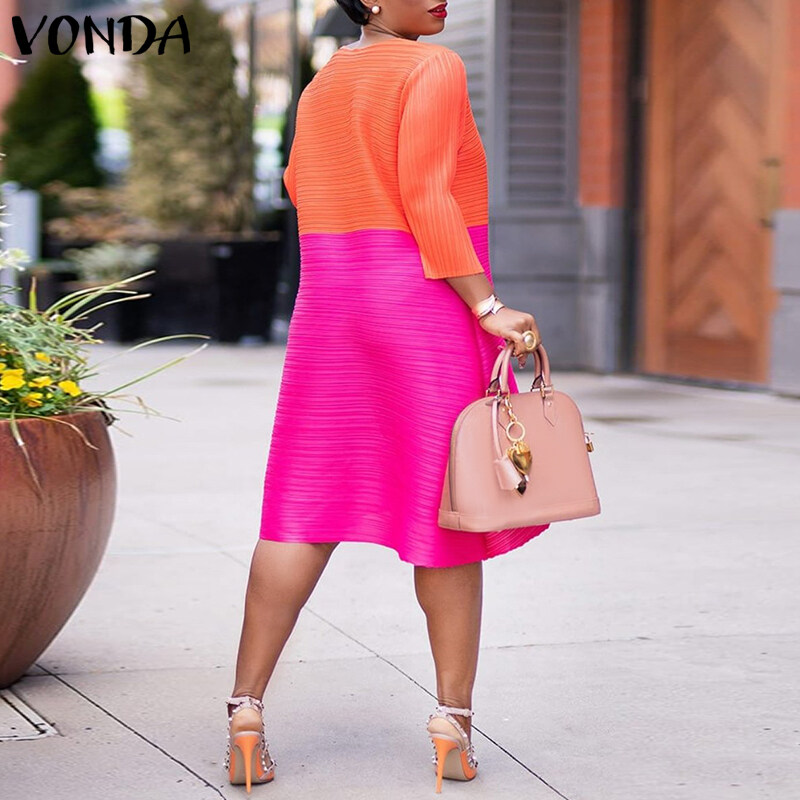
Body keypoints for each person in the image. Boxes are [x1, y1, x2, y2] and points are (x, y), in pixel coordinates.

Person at [223, 0, 550, 793]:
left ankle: (246, 715)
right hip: (422, 310)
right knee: (447, 515)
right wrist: (486, 306)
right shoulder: (433, 65)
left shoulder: (325, 79)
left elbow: (299, 183)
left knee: (302, 508)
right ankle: (452, 725)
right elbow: (429, 196)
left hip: (331, 310)